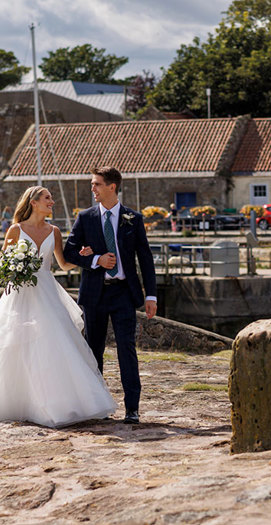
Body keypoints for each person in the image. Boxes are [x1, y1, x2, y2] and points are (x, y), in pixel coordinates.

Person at [0, 186, 116, 428]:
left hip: (47, 292)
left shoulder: (55, 232)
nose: (52, 201)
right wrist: (14, 271)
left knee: (53, 343)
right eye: (47, 198)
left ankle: (53, 402)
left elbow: (62, 264)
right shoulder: (15, 230)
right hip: (20, 295)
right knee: (14, 344)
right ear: (34, 202)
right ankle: (15, 400)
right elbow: (2, 265)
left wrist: (81, 256)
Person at [64, 166, 157, 425]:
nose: (92, 188)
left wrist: (151, 296)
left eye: (96, 184)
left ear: (112, 187)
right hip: (94, 295)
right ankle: (97, 405)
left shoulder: (133, 219)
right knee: (93, 351)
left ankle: (132, 409)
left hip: (124, 294)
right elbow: (69, 252)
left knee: (126, 349)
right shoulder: (85, 218)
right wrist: (96, 259)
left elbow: (146, 259)